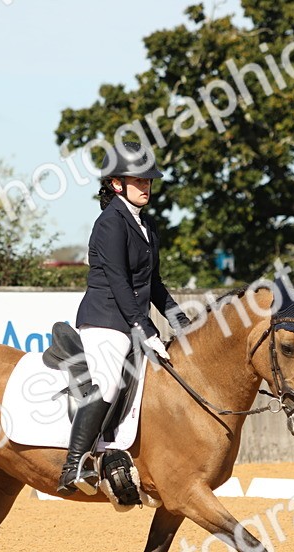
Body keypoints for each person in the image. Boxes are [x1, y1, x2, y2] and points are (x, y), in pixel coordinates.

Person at [57, 140, 190, 495]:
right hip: (105, 320)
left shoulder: (146, 225)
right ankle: (75, 464)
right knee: (108, 380)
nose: (146, 186)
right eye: (138, 180)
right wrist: (145, 328)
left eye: (148, 181)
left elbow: (154, 284)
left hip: (129, 319)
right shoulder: (110, 223)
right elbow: (119, 282)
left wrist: (182, 323)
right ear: (117, 183)